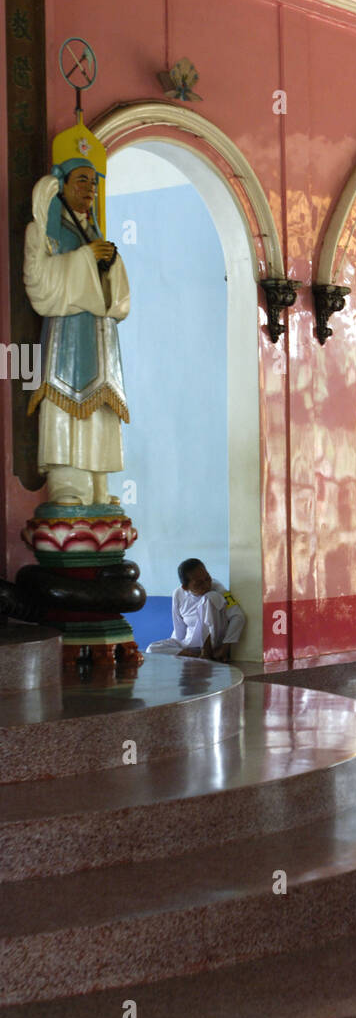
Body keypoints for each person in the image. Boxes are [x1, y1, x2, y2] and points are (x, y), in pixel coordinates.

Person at [23, 158, 130, 506]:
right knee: (64, 403)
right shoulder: (48, 232)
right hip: (66, 335)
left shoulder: (94, 233)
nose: (90, 189)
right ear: (63, 185)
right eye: (81, 181)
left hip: (100, 337)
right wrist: (84, 259)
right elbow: (39, 283)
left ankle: (99, 484)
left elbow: (117, 298)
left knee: (101, 406)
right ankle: (68, 483)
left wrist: (108, 264)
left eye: (94, 183)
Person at [147, 559, 245, 662]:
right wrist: (176, 649)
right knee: (152, 649)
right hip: (190, 645)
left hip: (214, 643)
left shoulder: (219, 589)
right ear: (185, 587)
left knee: (209, 597)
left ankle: (206, 652)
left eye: (207, 578)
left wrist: (225, 647)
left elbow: (238, 617)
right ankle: (197, 656)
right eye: (199, 583)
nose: (206, 585)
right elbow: (179, 629)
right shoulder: (178, 594)